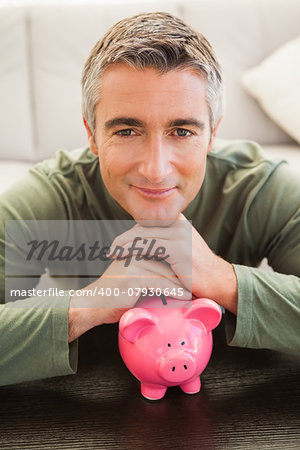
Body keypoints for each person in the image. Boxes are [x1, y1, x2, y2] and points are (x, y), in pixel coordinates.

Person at [0, 12, 299, 387]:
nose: (156, 170)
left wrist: (224, 280)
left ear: (211, 135)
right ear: (91, 134)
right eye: (127, 131)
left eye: (182, 130)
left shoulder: (261, 189)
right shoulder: (48, 197)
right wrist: (88, 306)